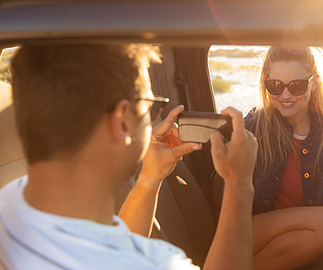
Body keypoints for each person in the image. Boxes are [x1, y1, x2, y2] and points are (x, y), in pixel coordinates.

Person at [0, 43, 258, 270]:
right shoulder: (158, 263)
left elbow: (115, 248)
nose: (154, 119)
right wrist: (239, 184)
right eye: (151, 108)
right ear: (122, 120)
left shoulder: (9, 201)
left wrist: (149, 178)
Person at [245, 46, 323, 270]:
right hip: (254, 229)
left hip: (307, 238)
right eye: (275, 85)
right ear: (266, 82)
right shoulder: (254, 125)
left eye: (296, 85)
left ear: (313, 82)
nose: (285, 95)